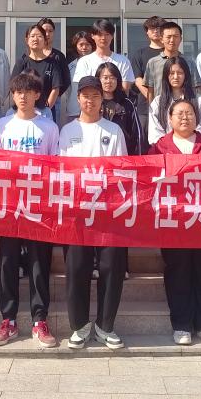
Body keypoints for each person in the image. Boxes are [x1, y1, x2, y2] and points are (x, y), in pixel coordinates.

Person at [0, 72, 60, 348]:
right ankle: (8, 320)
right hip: (9, 204)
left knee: (38, 263)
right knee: (7, 261)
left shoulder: (49, 128)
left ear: (37, 95)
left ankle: (39, 320)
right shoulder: (1, 126)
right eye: (18, 92)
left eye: (28, 92)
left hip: (39, 205)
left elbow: (55, 166)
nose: (22, 97)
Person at [60, 76, 128, 350]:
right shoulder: (67, 131)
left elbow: (121, 168)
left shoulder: (114, 130)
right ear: (78, 99)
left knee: (112, 267)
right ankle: (79, 326)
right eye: (85, 95)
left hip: (108, 210)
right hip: (77, 211)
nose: (90, 100)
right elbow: (62, 170)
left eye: (95, 95)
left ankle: (105, 326)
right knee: (77, 267)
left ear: (102, 99)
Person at [149, 99, 201, 346]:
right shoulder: (159, 148)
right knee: (178, 271)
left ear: (197, 117)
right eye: (179, 113)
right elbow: (150, 181)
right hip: (173, 221)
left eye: (189, 113)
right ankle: (181, 324)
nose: (184, 117)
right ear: (169, 119)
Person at [147, 56, 201, 145]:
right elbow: (155, 133)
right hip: (166, 149)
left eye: (180, 73)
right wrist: (170, 146)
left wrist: (188, 142)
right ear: (166, 76)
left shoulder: (199, 100)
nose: (176, 77)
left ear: (186, 75)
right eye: (172, 73)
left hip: (194, 147)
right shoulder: (157, 102)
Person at [142, 21, 201, 104]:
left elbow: (196, 87)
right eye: (168, 37)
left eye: (175, 36)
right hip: (161, 107)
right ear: (161, 39)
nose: (172, 40)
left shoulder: (189, 62)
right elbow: (151, 91)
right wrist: (151, 109)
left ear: (180, 39)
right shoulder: (153, 62)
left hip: (184, 108)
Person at [11, 24, 66, 117]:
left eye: (39, 36)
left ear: (45, 40)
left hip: (45, 111)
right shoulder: (21, 62)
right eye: (32, 36)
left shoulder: (52, 63)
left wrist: (46, 109)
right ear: (27, 40)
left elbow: (56, 88)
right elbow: (13, 87)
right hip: (23, 112)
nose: (35, 39)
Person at [71, 19, 135, 94]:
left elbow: (125, 87)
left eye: (107, 34)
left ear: (112, 36)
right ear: (92, 36)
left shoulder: (123, 61)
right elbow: (83, 87)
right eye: (100, 34)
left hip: (117, 101)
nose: (103, 38)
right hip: (93, 101)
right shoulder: (84, 61)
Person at [98, 62, 143, 156]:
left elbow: (136, 134)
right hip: (97, 155)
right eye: (105, 77)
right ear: (98, 79)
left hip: (122, 154)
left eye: (112, 78)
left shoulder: (127, 104)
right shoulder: (93, 104)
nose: (108, 81)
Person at [132, 15, 165, 134]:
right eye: (152, 28)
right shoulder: (139, 54)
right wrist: (153, 98)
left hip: (169, 105)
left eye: (159, 28)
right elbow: (138, 79)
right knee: (143, 139)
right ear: (147, 32)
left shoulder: (171, 53)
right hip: (145, 107)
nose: (156, 31)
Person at [60, 30, 96, 124]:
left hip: (94, 109)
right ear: (76, 46)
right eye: (81, 44)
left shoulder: (98, 64)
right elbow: (67, 90)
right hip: (74, 110)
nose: (84, 47)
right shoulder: (70, 66)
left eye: (87, 44)